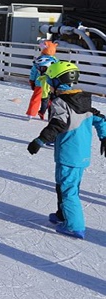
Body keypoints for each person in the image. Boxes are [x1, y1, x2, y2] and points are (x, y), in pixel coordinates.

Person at [27, 61, 106, 239]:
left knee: (68, 190)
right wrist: (104, 136)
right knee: (65, 186)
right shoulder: (83, 101)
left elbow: (57, 125)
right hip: (81, 155)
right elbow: (101, 119)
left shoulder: (61, 103)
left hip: (68, 155)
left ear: (55, 82)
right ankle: (63, 214)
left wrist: (39, 141)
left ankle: (75, 226)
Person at [27, 40, 58, 120]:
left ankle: (31, 113)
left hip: (39, 83)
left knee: (36, 99)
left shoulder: (39, 60)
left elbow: (33, 72)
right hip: (50, 85)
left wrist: (32, 80)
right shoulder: (55, 61)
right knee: (50, 100)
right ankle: (50, 115)